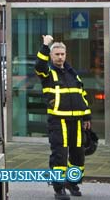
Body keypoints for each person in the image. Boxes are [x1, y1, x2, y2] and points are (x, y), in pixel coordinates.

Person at [35, 35, 91, 199]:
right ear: (52, 56)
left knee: (78, 155)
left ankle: (72, 183)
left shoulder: (72, 74)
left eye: (62, 54)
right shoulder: (47, 73)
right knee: (59, 155)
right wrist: (45, 45)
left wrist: (87, 116)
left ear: (66, 55)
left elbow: (82, 95)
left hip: (76, 121)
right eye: (57, 54)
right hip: (58, 121)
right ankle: (59, 188)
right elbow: (39, 65)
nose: (60, 57)